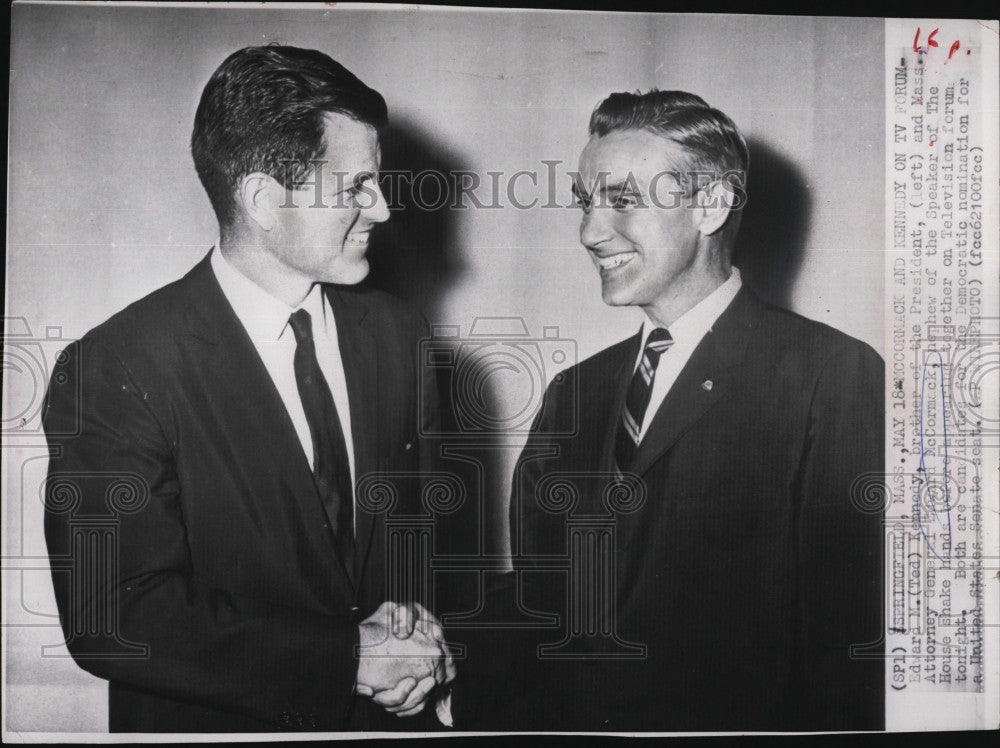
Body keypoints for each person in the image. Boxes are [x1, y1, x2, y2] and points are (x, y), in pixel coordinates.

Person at [42, 45, 453, 733]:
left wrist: (423, 659)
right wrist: (345, 657)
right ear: (263, 199)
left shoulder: (399, 335)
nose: (381, 209)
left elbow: (422, 542)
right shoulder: (117, 365)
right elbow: (115, 614)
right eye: (354, 187)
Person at [459, 90, 884, 731]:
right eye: (585, 203)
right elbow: (537, 604)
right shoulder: (574, 392)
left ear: (711, 205)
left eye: (623, 200)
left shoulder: (829, 374)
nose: (590, 232)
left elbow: (848, 647)